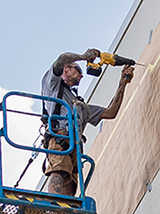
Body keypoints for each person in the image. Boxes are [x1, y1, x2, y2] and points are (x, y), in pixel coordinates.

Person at [40, 49, 134, 196]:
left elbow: (111, 112)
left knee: (71, 180)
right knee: (59, 170)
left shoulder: (79, 105)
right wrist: (84, 57)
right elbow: (62, 58)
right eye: (78, 70)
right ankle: (54, 206)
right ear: (66, 69)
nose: (82, 74)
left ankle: (65, 212)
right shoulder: (52, 85)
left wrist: (123, 82)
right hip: (60, 137)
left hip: (75, 145)